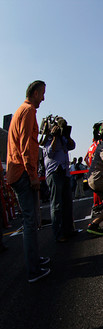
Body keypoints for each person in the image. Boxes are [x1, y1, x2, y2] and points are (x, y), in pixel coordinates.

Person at [6, 80, 50, 283]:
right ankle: (33, 270)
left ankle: (35, 260)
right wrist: (33, 175)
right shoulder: (28, 111)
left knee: (32, 221)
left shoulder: (21, 111)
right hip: (23, 174)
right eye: (42, 93)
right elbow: (26, 147)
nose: (43, 97)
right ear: (34, 92)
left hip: (20, 172)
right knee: (30, 222)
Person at [41, 116, 76, 243]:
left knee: (67, 203)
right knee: (57, 205)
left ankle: (68, 230)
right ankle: (58, 233)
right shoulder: (47, 138)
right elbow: (50, 153)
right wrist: (54, 136)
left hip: (65, 173)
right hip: (54, 173)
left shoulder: (63, 137)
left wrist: (67, 135)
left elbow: (72, 146)